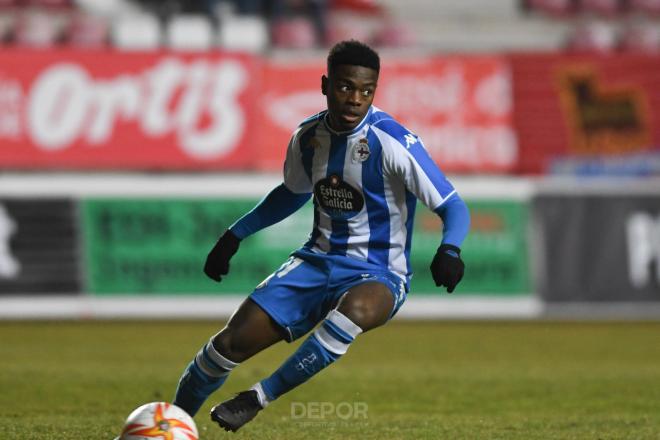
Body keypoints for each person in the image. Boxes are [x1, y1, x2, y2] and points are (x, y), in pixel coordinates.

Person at [172, 39, 471, 433]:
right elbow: (293, 192)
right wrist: (235, 235)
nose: (355, 100)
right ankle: (167, 426)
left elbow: (453, 206)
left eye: (366, 91)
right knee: (226, 347)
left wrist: (450, 249)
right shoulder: (308, 138)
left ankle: (256, 398)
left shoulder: (393, 142)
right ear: (325, 84)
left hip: (379, 273)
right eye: (346, 87)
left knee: (356, 312)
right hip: (315, 261)